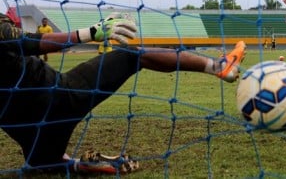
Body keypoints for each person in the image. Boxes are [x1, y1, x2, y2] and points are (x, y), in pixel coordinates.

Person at [0, 12, 246, 174]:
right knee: (131, 57)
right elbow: (26, 42)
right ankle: (217, 66)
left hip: (32, 139)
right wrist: (89, 33)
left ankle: (76, 165)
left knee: (45, 162)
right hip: (61, 97)